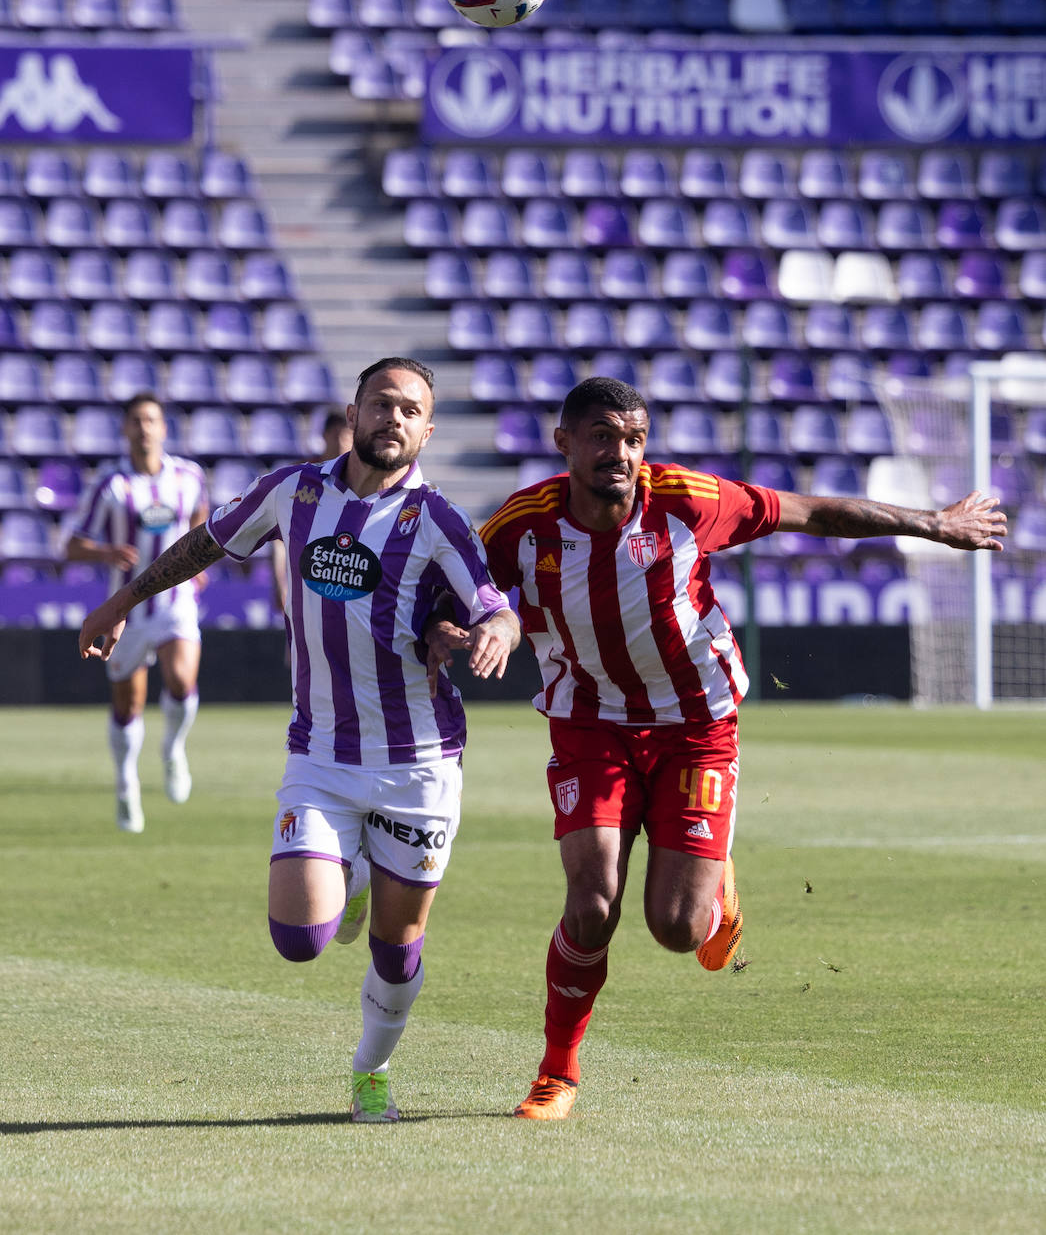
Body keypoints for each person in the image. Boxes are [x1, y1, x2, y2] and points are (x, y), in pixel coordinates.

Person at [436, 375, 1007, 1122]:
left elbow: (810, 512)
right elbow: (457, 591)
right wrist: (452, 630)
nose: (621, 453)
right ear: (565, 443)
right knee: (592, 901)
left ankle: (714, 879)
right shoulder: (523, 526)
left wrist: (932, 524)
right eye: (604, 436)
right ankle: (557, 1074)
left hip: (696, 724)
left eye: (634, 438)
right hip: (591, 724)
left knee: (676, 930)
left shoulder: (687, 500)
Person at [78, 358, 519, 1123]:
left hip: (417, 763)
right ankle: (345, 879)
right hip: (319, 754)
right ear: (355, 409)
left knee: (396, 945)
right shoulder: (295, 490)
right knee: (298, 939)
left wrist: (495, 633)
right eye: (383, 403)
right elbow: (206, 542)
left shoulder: (438, 519)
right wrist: (125, 597)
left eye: (412, 410)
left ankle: (370, 1068)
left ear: (428, 430)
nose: (395, 419)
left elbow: (492, 603)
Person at [66, 391, 209, 833]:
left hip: (175, 602)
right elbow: (72, 545)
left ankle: (172, 748)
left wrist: (199, 566)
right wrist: (106, 552)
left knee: (182, 679)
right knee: (128, 707)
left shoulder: (189, 476)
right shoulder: (110, 484)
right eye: (136, 421)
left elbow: (203, 519)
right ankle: (127, 782)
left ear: (164, 428)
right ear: (126, 429)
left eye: (152, 420)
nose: (145, 428)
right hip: (125, 611)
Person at [270, 408, 353, 620]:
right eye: (336, 434)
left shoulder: (364, 484)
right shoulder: (299, 478)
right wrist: (279, 582)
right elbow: (279, 536)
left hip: (345, 581)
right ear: (324, 436)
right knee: (298, 646)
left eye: (348, 435)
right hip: (302, 580)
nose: (342, 441)